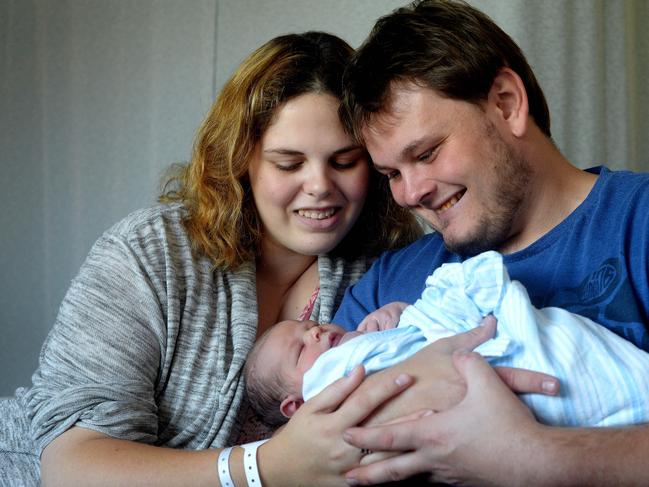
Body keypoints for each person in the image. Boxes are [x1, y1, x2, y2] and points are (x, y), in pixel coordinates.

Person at [0, 31, 427, 486]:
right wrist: (266, 466)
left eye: (345, 161)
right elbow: (72, 468)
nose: (320, 186)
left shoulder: (384, 267)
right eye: (288, 163)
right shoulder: (149, 255)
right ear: (242, 159)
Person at [334, 0, 649, 485]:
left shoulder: (638, 223)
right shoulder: (383, 292)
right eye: (391, 173)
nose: (411, 193)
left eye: (427, 153)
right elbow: (313, 447)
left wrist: (539, 457)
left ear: (506, 103)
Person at [245, 251, 649, 429]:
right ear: (295, 405)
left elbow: (414, 339)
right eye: (302, 347)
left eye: (309, 325)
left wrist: (403, 315)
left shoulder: (365, 326)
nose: (315, 330)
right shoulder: (326, 386)